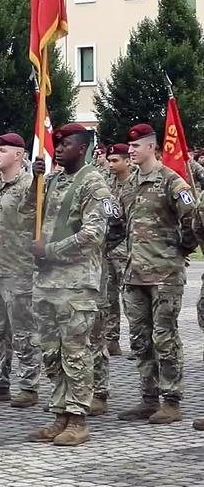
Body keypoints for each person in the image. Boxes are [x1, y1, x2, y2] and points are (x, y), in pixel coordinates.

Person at [28, 123, 111, 447]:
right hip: (47, 282)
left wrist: (50, 251)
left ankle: (78, 418)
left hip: (76, 284)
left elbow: (94, 234)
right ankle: (60, 414)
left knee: (75, 352)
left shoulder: (93, 183)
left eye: (66, 143)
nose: (59, 148)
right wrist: (32, 179)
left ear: (83, 148)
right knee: (51, 352)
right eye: (57, 143)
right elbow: (27, 209)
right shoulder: (52, 180)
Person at [114, 124, 197, 425]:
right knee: (140, 339)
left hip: (164, 274)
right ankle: (149, 398)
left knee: (165, 338)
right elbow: (120, 224)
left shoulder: (172, 182)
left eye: (136, 146)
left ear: (152, 147)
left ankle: (172, 399)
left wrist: (181, 251)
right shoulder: (128, 183)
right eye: (130, 146)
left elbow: (192, 221)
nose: (131, 150)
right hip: (134, 273)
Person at [0, 133, 41, 408]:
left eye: (3, 150)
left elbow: (34, 213)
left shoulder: (31, 186)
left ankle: (28, 385)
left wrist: (39, 179)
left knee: (24, 331)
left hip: (19, 270)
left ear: (19, 155)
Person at [104, 144, 132, 359]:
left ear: (127, 161)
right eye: (109, 160)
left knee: (131, 298)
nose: (111, 164)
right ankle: (112, 341)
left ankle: (138, 341)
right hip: (108, 248)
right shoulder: (106, 184)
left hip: (129, 251)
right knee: (109, 297)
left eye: (116, 160)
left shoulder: (135, 184)